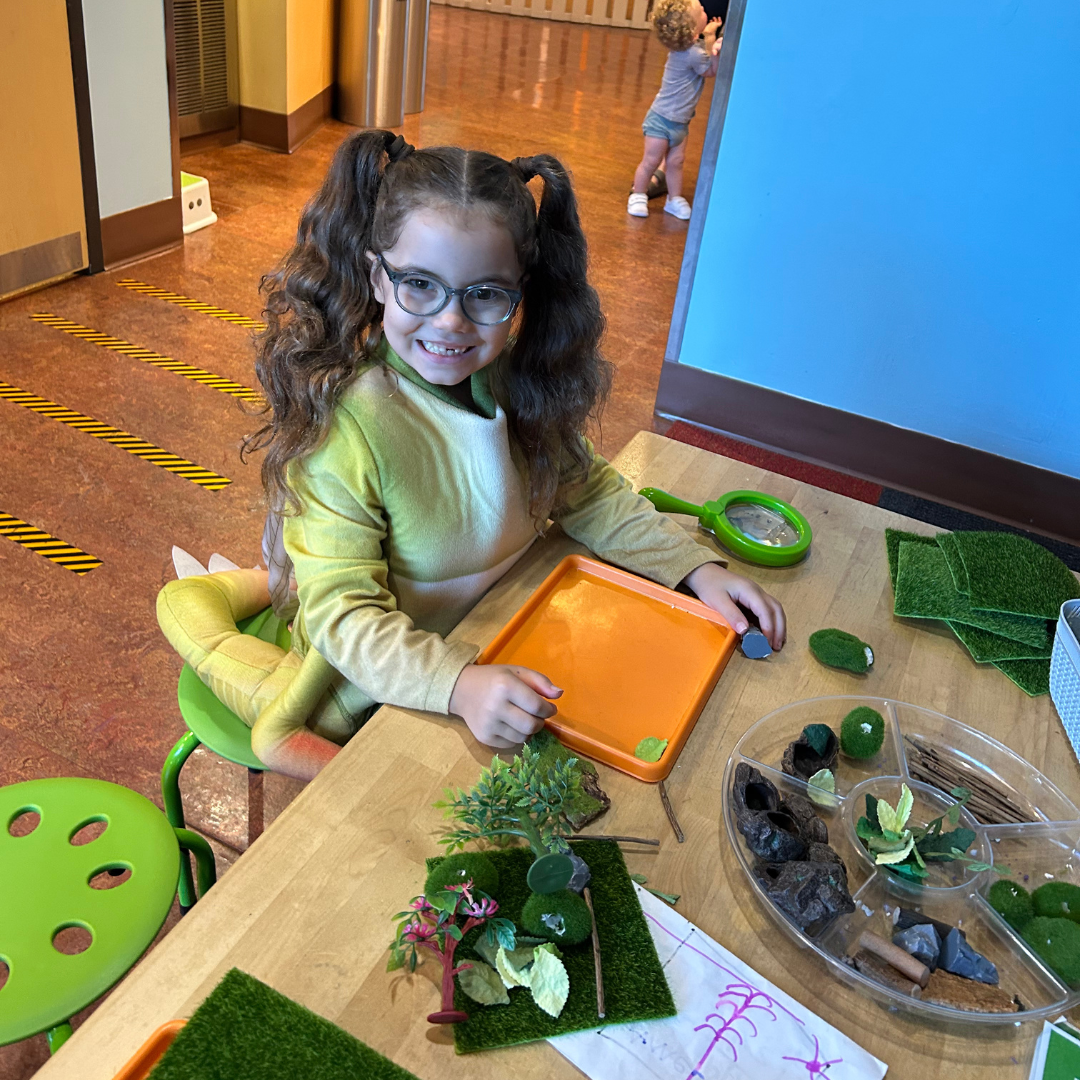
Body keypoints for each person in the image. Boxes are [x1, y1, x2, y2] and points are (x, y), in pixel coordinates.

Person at [157, 131, 786, 781]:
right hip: (379, 694)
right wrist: (458, 686)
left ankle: (281, 573)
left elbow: (588, 489)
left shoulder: (514, 381)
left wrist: (691, 569)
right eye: (420, 285)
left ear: (522, 291)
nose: (452, 323)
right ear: (377, 274)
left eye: (485, 294)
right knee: (185, 606)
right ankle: (270, 579)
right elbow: (349, 624)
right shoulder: (350, 430)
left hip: (501, 633)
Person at [628, 0, 722, 220]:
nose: (705, 11)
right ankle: (638, 194)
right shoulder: (693, 54)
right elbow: (710, 71)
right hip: (661, 120)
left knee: (676, 162)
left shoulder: (686, 49)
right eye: (701, 11)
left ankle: (675, 198)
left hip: (679, 121)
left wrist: (705, 41)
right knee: (651, 161)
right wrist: (710, 39)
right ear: (690, 28)